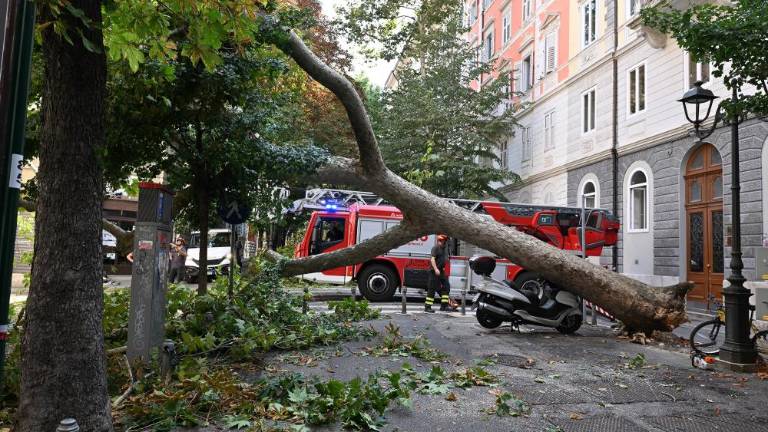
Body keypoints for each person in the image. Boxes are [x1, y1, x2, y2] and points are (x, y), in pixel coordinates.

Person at [426, 234, 454, 313]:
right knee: (432, 289)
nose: (440, 242)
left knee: (446, 287)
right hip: (434, 271)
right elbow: (432, 259)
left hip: (441, 271)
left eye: (442, 241)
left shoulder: (445, 248)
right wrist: (435, 269)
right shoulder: (435, 248)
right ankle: (427, 307)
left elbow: (445, 258)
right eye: (439, 240)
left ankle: (444, 306)